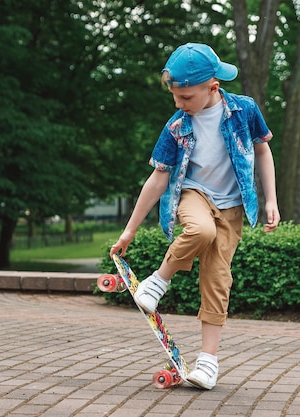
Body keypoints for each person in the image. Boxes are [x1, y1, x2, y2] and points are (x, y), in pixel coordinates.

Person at [109, 43, 280, 390]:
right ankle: (158, 281)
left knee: (218, 281)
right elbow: (158, 179)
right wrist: (129, 231)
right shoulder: (176, 126)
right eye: (175, 96)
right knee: (200, 230)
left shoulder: (244, 110)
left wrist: (272, 200)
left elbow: (263, 150)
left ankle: (207, 362)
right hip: (193, 195)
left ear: (212, 87)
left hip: (232, 209)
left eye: (186, 97)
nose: (179, 104)